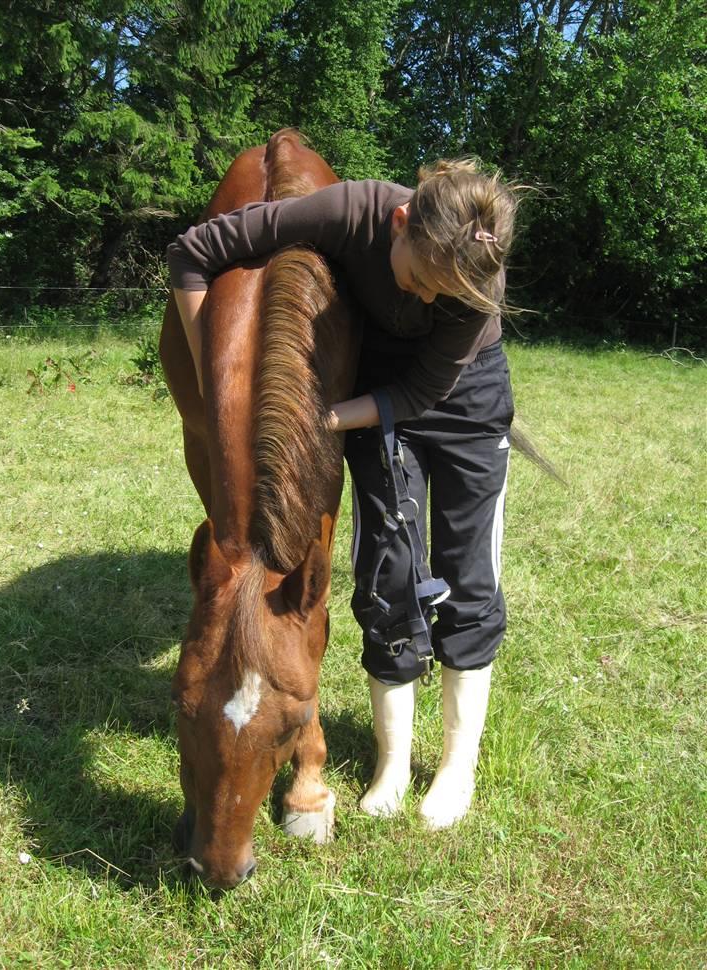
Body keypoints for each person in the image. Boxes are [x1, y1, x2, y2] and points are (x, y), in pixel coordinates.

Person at [167, 158, 519, 830]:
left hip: (458, 398)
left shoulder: (477, 279)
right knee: (386, 569)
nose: (421, 301)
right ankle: (392, 762)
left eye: (439, 295)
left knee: (468, 576)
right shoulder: (350, 209)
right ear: (398, 224)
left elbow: (420, 395)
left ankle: (455, 764)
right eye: (417, 280)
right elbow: (192, 250)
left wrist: (322, 420)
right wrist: (217, 383)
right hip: (370, 387)